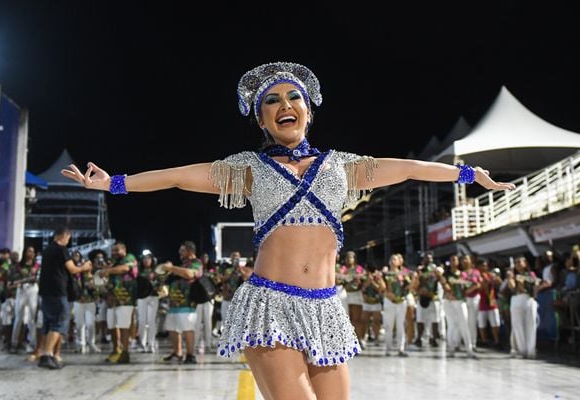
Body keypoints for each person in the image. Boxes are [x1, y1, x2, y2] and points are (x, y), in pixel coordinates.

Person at [61, 61, 515, 398]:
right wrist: (115, 183)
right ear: (261, 119)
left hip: (326, 309)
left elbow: (410, 169)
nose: (284, 105)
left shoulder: (343, 167)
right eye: (272, 101)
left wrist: (468, 174)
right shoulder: (249, 169)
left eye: (293, 97)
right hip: (270, 305)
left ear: (308, 111)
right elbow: (180, 174)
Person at [37, 226, 92, 369]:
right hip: (58, 292)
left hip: (46, 292)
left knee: (48, 324)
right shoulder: (61, 250)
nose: (68, 241)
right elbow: (73, 269)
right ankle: (47, 355)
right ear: (63, 236)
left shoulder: (47, 250)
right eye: (68, 238)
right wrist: (84, 267)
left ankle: (46, 354)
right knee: (58, 323)